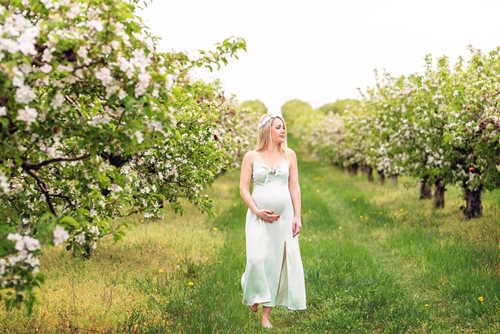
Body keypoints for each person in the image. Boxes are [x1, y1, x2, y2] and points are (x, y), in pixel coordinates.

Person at [239, 113, 306, 329]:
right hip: (258, 217)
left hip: (283, 218)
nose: (283, 131)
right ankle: (253, 287)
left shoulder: (290, 155)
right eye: (279, 127)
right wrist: (256, 210)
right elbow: (243, 188)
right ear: (267, 130)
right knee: (256, 259)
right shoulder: (251, 156)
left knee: (277, 264)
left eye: (284, 127)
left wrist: (297, 215)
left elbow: (294, 186)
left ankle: (266, 314)